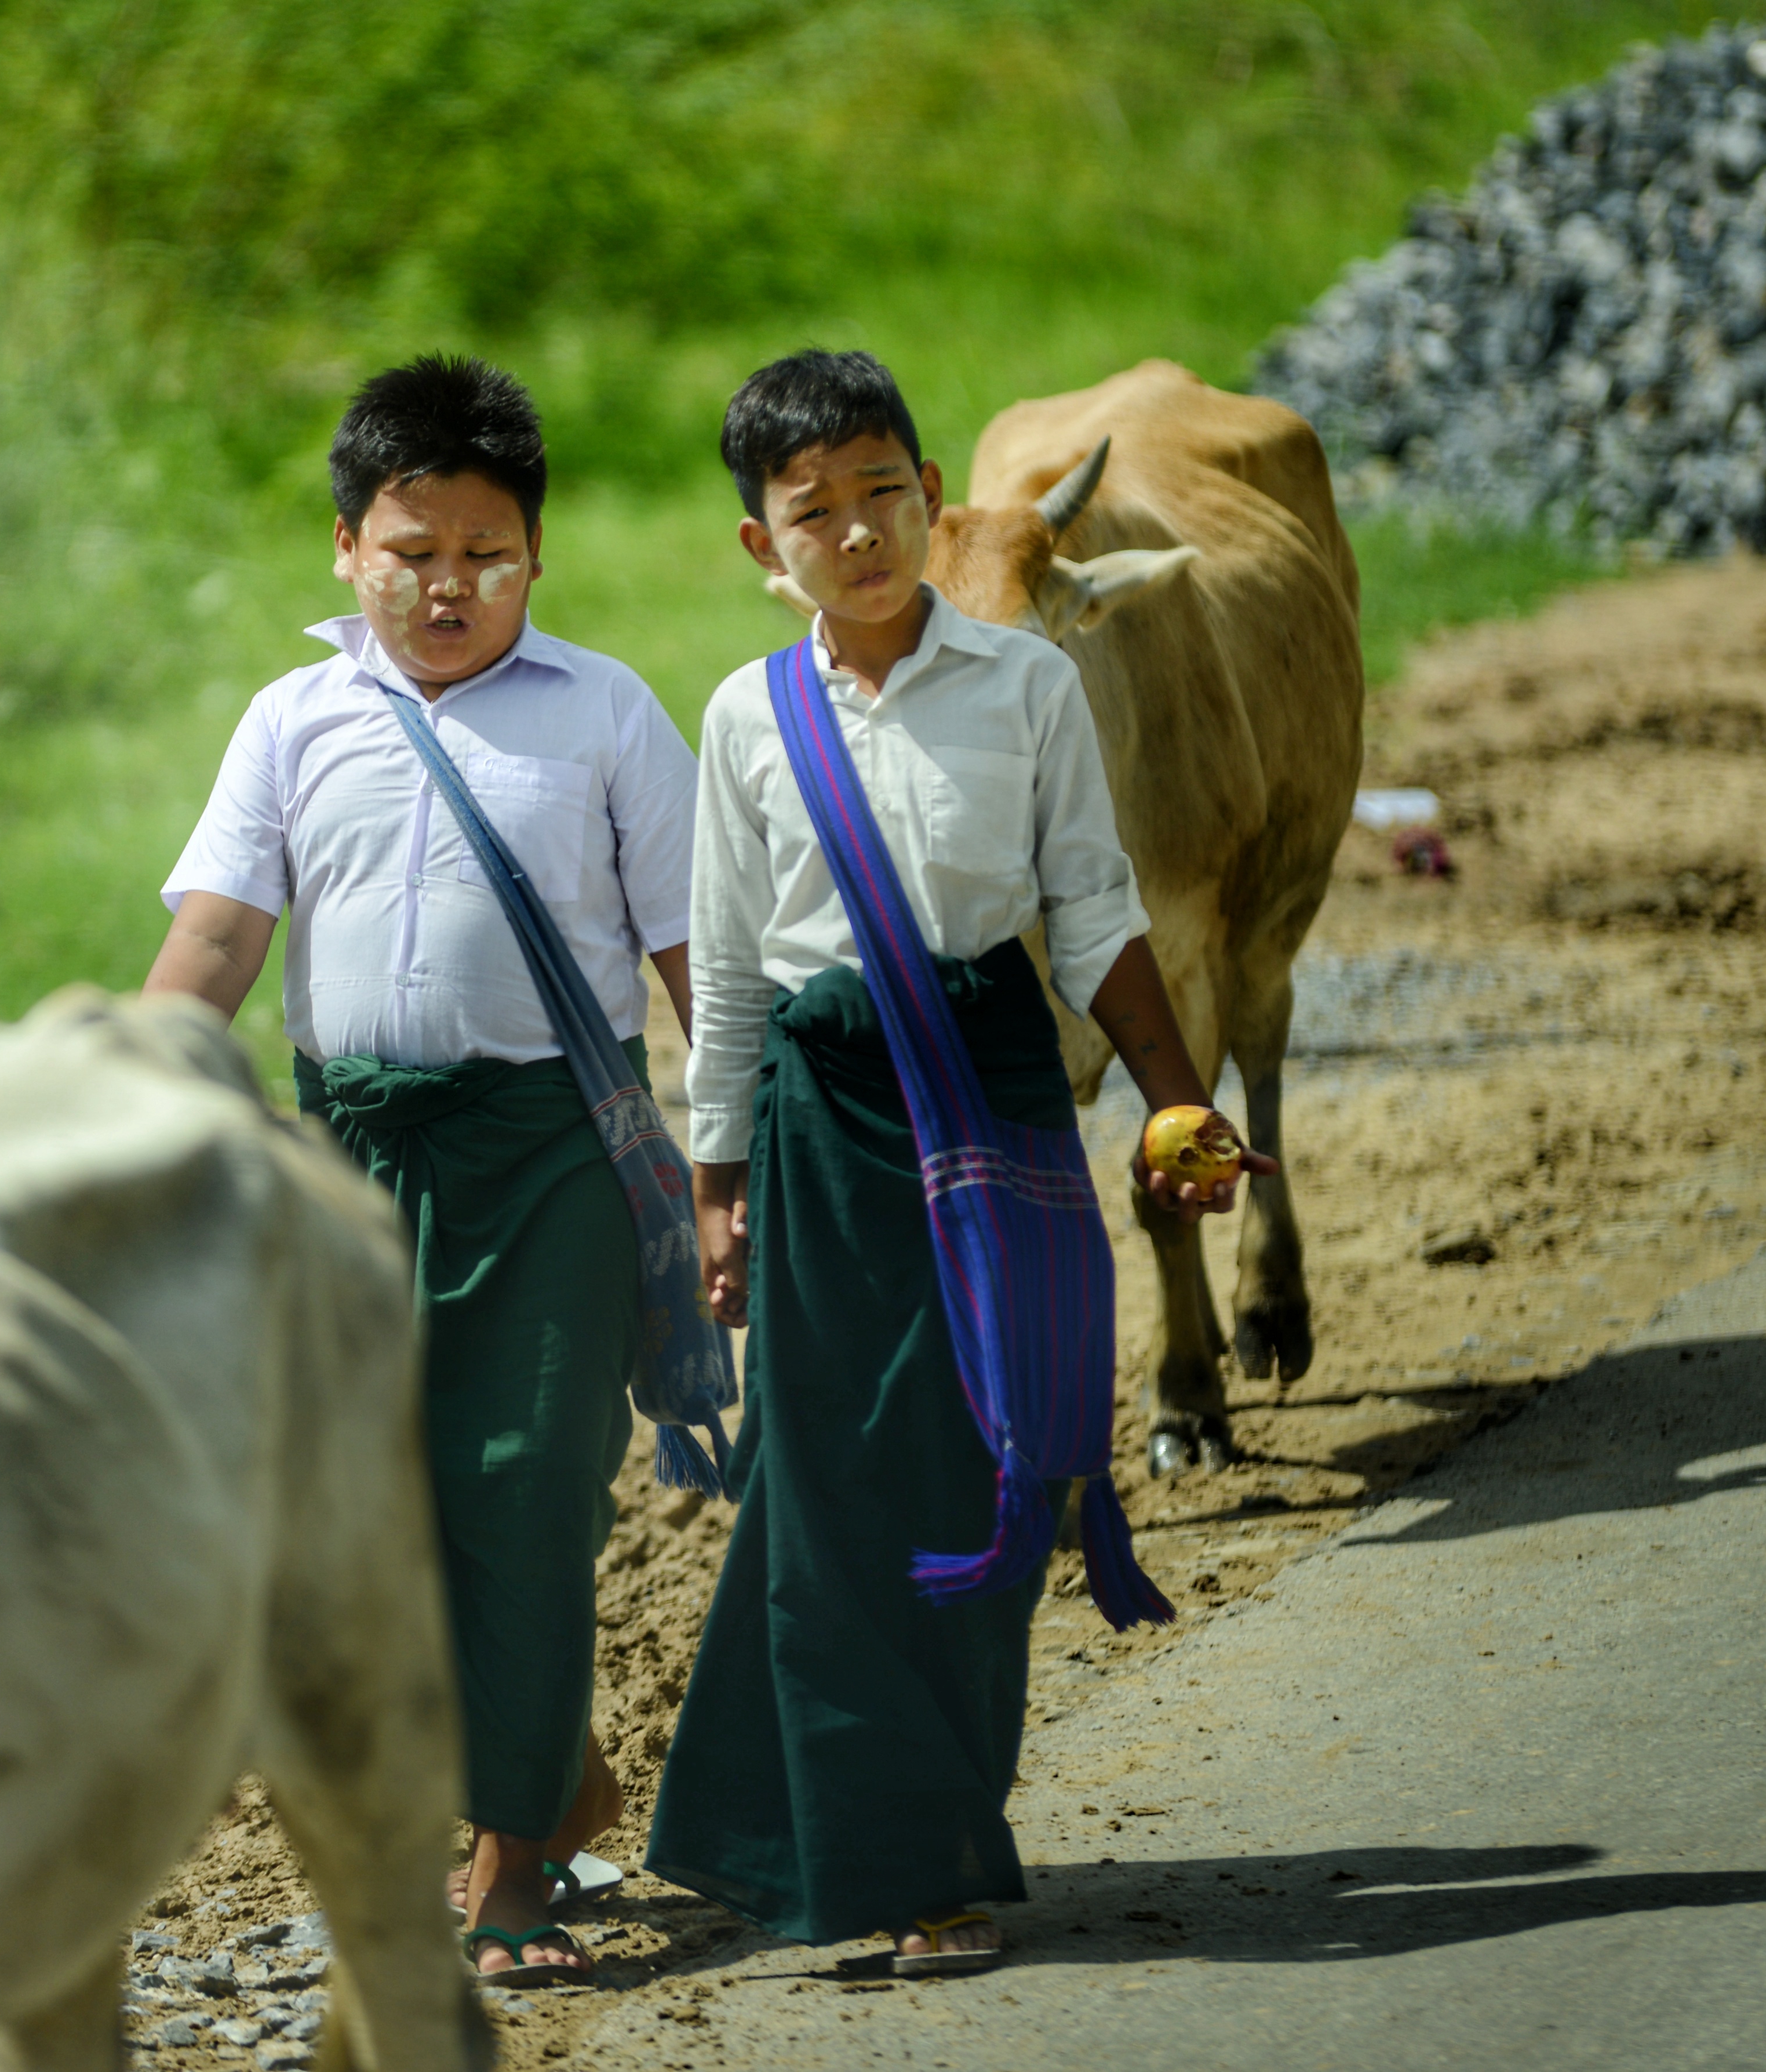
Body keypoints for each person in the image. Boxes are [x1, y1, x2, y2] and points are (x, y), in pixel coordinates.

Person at [643, 350, 1273, 1977]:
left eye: (881, 498)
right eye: (812, 514)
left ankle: (910, 1835)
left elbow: (1095, 915)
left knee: (989, 1466)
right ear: (756, 545)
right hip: (820, 1115)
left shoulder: (1026, 686)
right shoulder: (743, 720)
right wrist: (716, 1181)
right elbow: (724, 971)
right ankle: (893, 1862)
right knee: (825, 1476)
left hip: (995, 1089)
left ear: (932, 500)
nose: (854, 535)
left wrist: (1168, 1096)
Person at [143, 355, 700, 1986]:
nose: (446, 584)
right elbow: (218, 935)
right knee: (368, 1511)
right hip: (351, 1162)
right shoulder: (292, 718)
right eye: (411, 551)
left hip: (551, 1162)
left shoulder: (603, 715)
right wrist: (121, 1102)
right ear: (344, 548)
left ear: (536, 559)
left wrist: (731, 1161)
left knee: (521, 1487)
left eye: (486, 553)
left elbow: (689, 958)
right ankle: (557, 1778)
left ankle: (510, 1858)